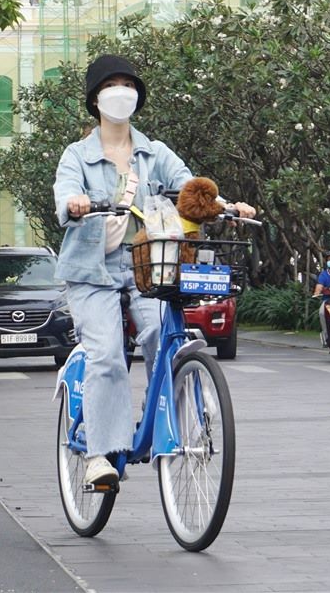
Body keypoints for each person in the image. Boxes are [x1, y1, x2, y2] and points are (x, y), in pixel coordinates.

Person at [53, 54, 255, 486]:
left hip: (149, 265)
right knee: (107, 354)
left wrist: (226, 206)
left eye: (128, 83)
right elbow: (65, 194)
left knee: (165, 340)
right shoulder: (77, 155)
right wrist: (75, 202)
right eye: (112, 84)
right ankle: (99, 455)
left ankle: (162, 423)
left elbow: (188, 186)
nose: (121, 91)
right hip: (92, 271)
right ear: (95, 99)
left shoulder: (154, 152)